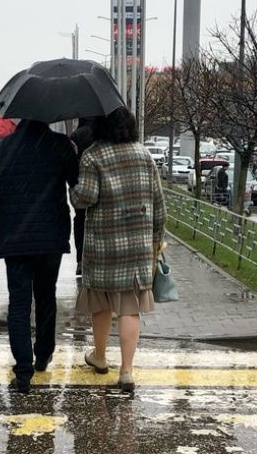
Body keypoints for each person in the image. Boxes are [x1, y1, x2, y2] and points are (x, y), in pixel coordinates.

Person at [0, 119, 79, 393]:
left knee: (18, 303)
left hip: (14, 238)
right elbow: (77, 186)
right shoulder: (60, 146)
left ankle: (23, 370)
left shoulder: (0, 149)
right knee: (45, 297)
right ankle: (43, 354)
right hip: (50, 238)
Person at [71, 107, 166, 394]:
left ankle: (99, 357)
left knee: (99, 303)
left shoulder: (93, 155)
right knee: (129, 308)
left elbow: (84, 198)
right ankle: (126, 371)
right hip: (136, 245)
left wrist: (72, 190)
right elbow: (158, 201)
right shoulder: (143, 154)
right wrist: (156, 238)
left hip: (103, 244)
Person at [69, 118, 96, 276]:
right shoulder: (102, 134)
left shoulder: (76, 136)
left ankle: (81, 259)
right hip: (100, 187)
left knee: (80, 222)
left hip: (80, 186)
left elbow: (71, 162)